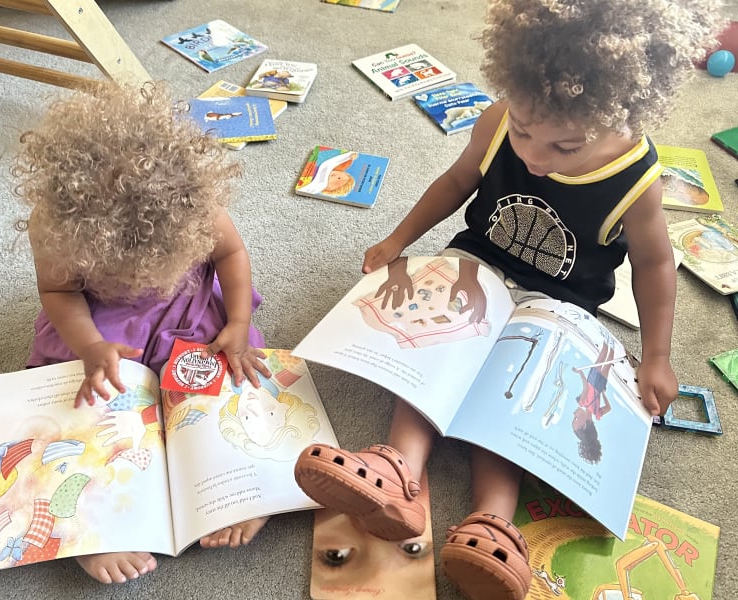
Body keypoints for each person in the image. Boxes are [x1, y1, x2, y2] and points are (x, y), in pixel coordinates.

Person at [294, 1, 724, 599]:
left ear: (619, 116)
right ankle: (398, 469)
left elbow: (654, 266)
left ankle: (491, 521)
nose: (534, 157)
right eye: (523, 132)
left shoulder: (636, 176)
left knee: (514, 397)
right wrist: (398, 239)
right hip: (479, 263)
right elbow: (456, 180)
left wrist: (657, 356)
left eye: (565, 148)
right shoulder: (500, 117)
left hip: (561, 301)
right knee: (434, 349)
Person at [13, 81, 272, 584]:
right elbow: (59, 292)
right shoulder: (56, 223)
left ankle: (237, 487)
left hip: (188, 308)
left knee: (233, 372)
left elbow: (231, 253)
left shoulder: (192, 201)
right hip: (102, 322)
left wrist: (238, 323)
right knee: (77, 400)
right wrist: (89, 346)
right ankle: (90, 525)